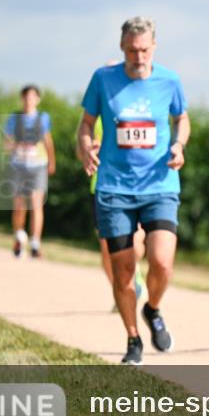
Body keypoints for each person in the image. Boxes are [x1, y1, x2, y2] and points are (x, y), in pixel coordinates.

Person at [78, 16, 190, 365]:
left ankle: (152, 309)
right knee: (124, 271)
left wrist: (179, 145)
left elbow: (181, 118)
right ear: (122, 48)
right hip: (114, 188)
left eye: (143, 50)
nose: (138, 57)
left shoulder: (169, 80)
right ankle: (133, 339)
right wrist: (85, 146)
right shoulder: (103, 79)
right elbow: (85, 124)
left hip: (159, 185)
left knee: (161, 262)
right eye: (131, 50)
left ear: (153, 46)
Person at [81, 112, 147, 311]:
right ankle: (123, 292)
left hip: (137, 186)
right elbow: (81, 150)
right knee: (107, 253)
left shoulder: (136, 111)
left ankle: (134, 279)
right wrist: (89, 151)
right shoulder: (93, 116)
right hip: (103, 188)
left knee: (135, 245)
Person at [4, 85, 56, 258]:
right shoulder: (14, 118)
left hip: (38, 165)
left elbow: (48, 141)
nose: (29, 100)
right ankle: (19, 237)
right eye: (26, 97)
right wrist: (18, 144)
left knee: (36, 203)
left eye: (33, 97)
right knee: (19, 205)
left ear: (38, 99)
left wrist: (51, 162)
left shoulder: (43, 118)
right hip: (19, 165)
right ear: (22, 99)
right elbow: (6, 144)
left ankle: (35, 243)